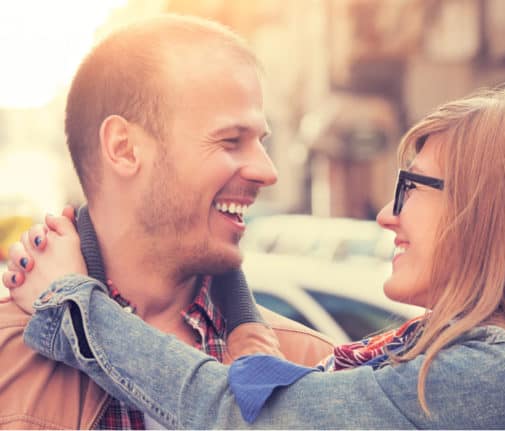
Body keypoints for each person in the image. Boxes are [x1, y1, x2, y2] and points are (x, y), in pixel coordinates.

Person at [6, 84, 505, 429]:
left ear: (490, 211)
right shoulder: (459, 356)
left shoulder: (491, 377)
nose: (387, 214)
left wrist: (71, 300)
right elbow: (274, 395)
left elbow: (238, 415)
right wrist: (225, 272)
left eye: (411, 187)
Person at [0, 15, 333, 430]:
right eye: (231, 140)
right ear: (124, 148)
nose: (268, 172)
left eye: (260, 142)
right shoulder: (7, 357)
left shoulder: (312, 366)